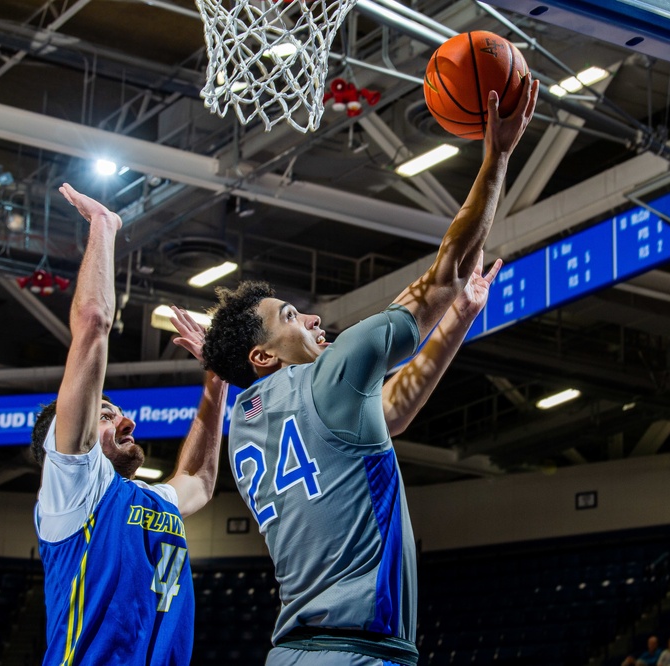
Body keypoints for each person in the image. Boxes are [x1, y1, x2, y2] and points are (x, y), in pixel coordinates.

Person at [201, 77, 538, 665]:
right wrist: (498, 158)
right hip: (357, 651)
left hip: (294, 653)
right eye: (288, 315)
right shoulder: (333, 374)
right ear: (264, 356)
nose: (309, 315)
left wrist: (458, 321)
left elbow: (390, 413)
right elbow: (449, 270)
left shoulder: (245, 428)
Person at [30, 184, 229, 665]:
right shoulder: (73, 489)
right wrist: (103, 225)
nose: (122, 418)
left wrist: (217, 378)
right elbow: (94, 322)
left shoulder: (147, 499)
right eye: (103, 413)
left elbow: (199, 481)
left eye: (115, 411)